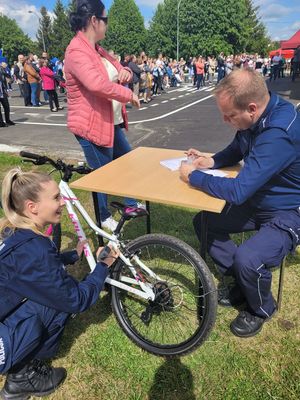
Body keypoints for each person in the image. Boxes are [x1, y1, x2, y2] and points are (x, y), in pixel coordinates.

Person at [179, 68, 300, 338]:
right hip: (258, 200)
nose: (225, 120)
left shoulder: (279, 131)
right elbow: (237, 147)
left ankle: (262, 308)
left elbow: (238, 191)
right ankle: (243, 281)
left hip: (288, 211)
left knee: (249, 258)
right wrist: (211, 161)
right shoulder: (256, 117)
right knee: (205, 221)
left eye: (230, 115)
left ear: (252, 108)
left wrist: (195, 176)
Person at [0, 168, 119, 399]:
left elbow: (27, 273)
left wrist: (69, 256)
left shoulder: (12, 231)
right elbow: (76, 300)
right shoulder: (36, 249)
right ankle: (21, 378)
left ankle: (23, 360)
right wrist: (103, 266)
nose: (63, 202)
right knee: (58, 302)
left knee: (52, 292)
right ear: (32, 207)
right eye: (56, 198)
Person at [64, 0, 141, 232]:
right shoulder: (76, 51)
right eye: (105, 20)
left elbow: (117, 67)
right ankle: (103, 217)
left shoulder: (97, 49)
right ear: (94, 21)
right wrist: (127, 94)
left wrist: (125, 72)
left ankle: (130, 205)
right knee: (103, 176)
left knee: (127, 163)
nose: (107, 25)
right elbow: (96, 84)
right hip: (91, 126)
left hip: (110, 123)